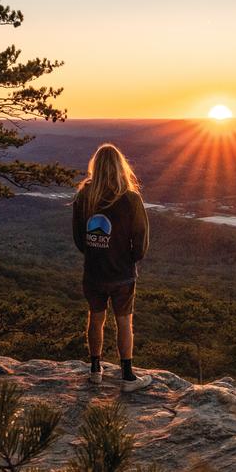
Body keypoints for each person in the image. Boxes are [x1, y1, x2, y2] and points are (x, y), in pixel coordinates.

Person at [72, 143, 151, 391]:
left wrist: (95, 252)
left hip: (94, 271)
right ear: (120, 167)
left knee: (95, 318)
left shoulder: (85, 195)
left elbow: (79, 237)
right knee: (124, 322)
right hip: (122, 273)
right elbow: (141, 241)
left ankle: (95, 369)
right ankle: (127, 376)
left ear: (95, 166)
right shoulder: (130, 199)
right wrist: (129, 258)